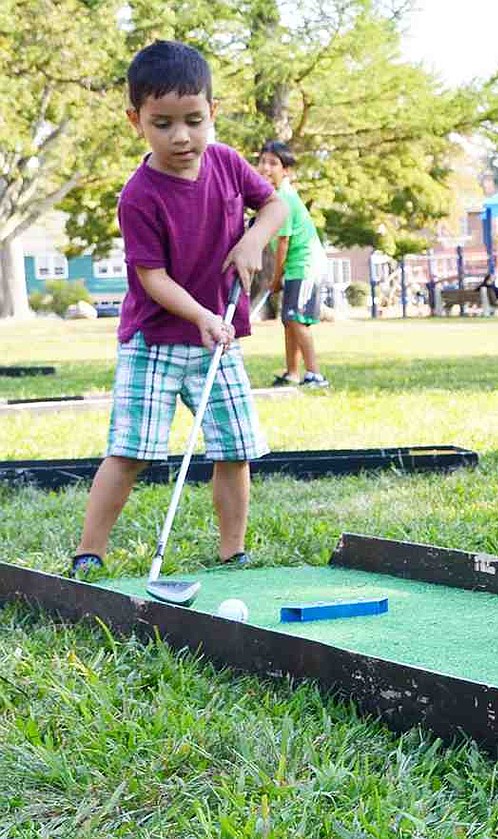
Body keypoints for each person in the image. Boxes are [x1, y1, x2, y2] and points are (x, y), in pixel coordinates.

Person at [69, 41, 288, 578]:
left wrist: (254, 240)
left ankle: (232, 551)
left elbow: (276, 205)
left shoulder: (228, 164)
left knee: (234, 449)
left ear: (213, 112)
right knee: (131, 450)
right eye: (162, 123)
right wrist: (201, 317)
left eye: (194, 119)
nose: (181, 136)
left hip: (217, 339)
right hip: (156, 340)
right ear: (136, 121)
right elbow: (152, 277)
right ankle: (89, 551)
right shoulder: (139, 195)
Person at [256, 140, 330, 388]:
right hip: (295, 267)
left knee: (296, 319)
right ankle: (292, 373)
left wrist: (276, 279)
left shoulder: (284, 199)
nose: (265, 167)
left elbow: (283, 244)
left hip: (305, 266)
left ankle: (315, 374)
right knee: (288, 320)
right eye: (262, 161)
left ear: (285, 170)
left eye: (273, 163)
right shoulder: (274, 197)